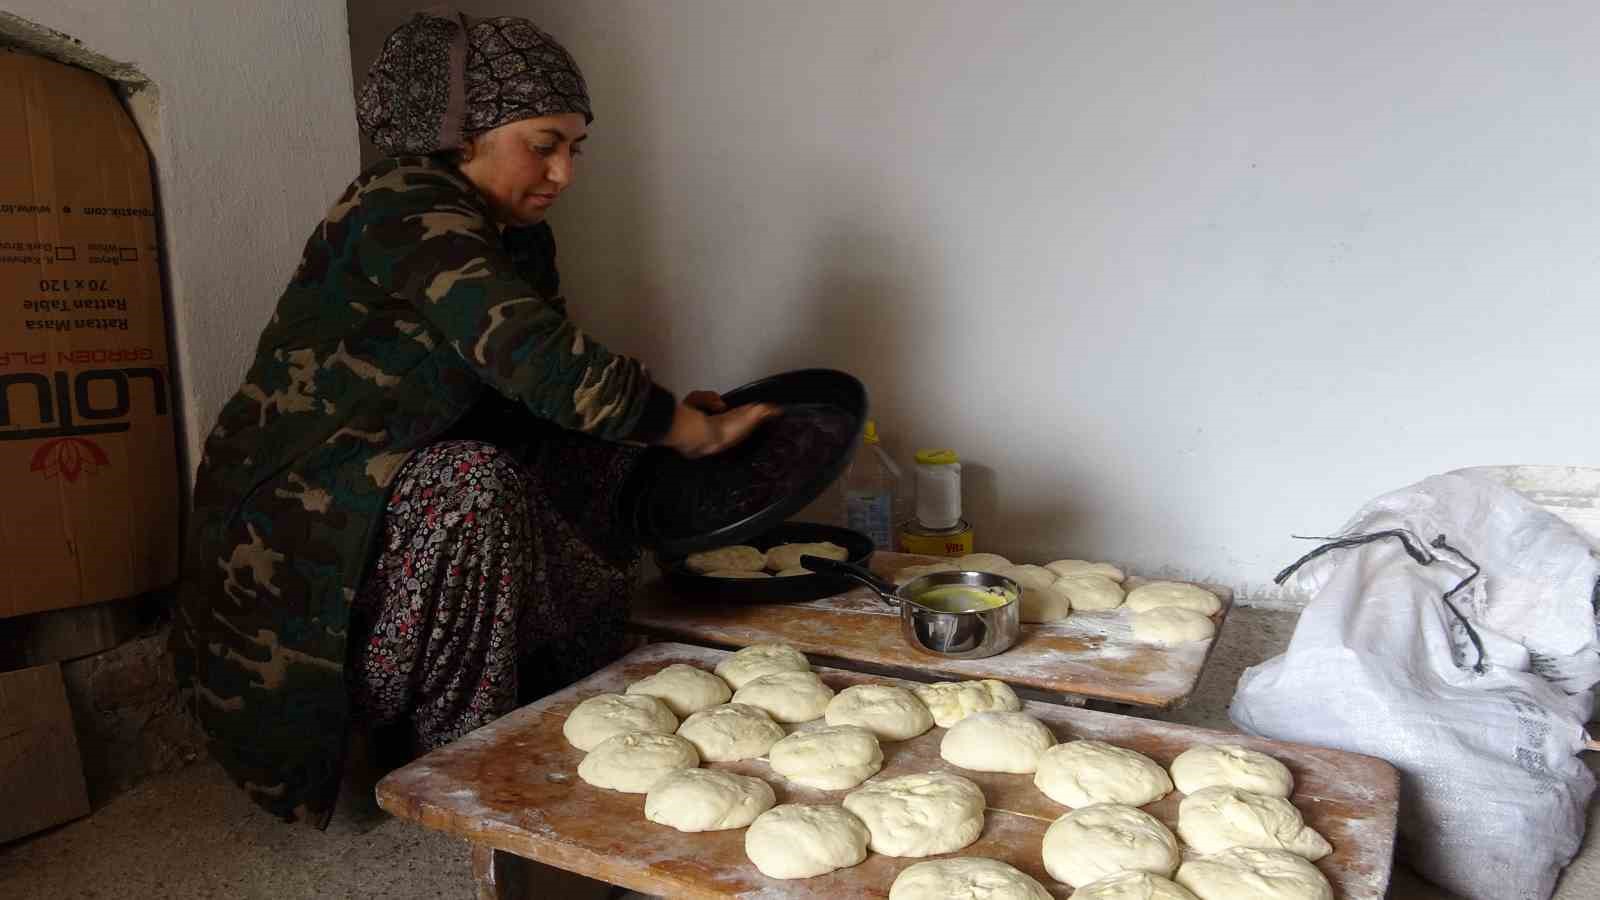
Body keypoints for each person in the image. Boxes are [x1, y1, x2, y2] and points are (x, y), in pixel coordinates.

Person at [170, 9, 774, 826]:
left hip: (396, 492)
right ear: (465, 136)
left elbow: (545, 393)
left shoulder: (517, 239)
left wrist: (656, 427)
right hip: (303, 536)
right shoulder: (403, 204)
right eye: (543, 143)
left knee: (614, 450)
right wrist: (681, 425)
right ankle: (453, 759)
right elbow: (534, 356)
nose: (564, 172)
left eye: (574, 148)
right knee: (474, 485)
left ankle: (582, 698)